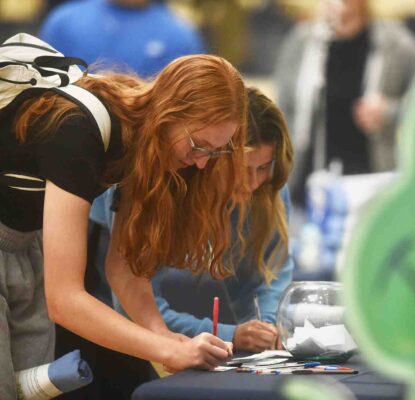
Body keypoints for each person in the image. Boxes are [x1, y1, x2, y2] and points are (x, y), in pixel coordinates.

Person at [0, 54, 247, 399]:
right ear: (168, 113)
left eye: (216, 151)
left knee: (32, 389)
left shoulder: (141, 142)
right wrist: (165, 351)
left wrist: (163, 336)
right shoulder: (78, 131)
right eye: (198, 146)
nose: (203, 163)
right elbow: (65, 299)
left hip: (24, 247)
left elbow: (125, 270)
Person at [97, 87, 294, 353]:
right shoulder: (161, 184)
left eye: (263, 168)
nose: (251, 184)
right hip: (101, 299)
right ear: (211, 154)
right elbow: (133, 303)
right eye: (241, 169)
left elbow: (272, 274)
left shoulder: (269, 191)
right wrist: (229, 334)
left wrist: (265, 327)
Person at [275, 0, 415, 204]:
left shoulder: (395, 45)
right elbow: (280, 112)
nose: (339, 6)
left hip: (370, 190)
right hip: (306, 190)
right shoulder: (301, 42)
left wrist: (388, 111)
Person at [39, 0, 205, 78]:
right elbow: (41, 86)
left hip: (143, 139)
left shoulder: (181, 36)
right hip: (71, 130)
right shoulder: (64, 21)